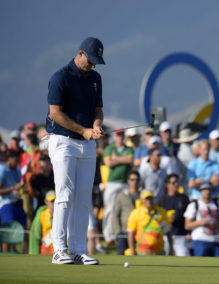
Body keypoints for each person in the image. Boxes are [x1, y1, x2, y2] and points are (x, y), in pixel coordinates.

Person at [46, 37, 105, 265]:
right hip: (63, 141)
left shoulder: (95, 79)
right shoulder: (61, 77)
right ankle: (59, 249)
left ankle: (78, 249)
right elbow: (55, 113)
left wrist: (97, 126)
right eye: (91, 60)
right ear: (80, 53)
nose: (93, 65)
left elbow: (98, 110)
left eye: (96, 62)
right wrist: (83, 130)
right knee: (65, 194)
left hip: (86, 143)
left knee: (82, 197)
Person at [103, 129, 133, 245]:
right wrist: (122, 160)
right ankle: (108, 235)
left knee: (125, 209)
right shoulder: (110, 148)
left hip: (125, 183)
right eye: (118, 135)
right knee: (109, 209)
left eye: (121, 135)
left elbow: (129, 160)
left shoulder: (129, 148)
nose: (120, 137)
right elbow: (108, 163)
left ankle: (123, 234)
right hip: (112, 183)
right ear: (115, 137)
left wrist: (116, 159)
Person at [184, 181, 219, 257]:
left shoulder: (218, 204)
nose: (207, 192)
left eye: (209, 189)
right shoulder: (194, 205)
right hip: (200, 240)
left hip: (216, 240)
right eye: (205, 189)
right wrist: (200, 222)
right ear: (200, 191)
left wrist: (216, 225)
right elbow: (187, 225)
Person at [126, 189, 172, 255]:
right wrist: (132, 251)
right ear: (142, 200)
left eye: (150, 198)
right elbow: (131, 233)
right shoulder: (136, 213)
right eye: (146, 198)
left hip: (159, 251)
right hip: (141, 252)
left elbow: (167, 231)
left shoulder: (161, 212)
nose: (149, 200)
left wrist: (171, 248)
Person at [0, 150, 27, 252]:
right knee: (7, 233)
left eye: (18, 161)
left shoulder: (17, 170)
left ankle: (24, 257)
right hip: (7, 205)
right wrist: (13, 189)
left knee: (23, 231)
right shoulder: (3, 171)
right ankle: (6, 256)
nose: (17, 163)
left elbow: (17, 186)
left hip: (18, 203)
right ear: (9, 159)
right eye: (15, 161)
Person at [159, 174, 190, 256]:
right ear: (167, 185)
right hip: (166, 236)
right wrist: (167, 220)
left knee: (183, 258)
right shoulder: (162, 200)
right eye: (173, 182)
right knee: (165, 259)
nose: (176, 184)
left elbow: (189, 217)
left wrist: (189, 232)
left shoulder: (184, 198)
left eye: (177, 182)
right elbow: (158, 218)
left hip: (180, 235)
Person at [112, 171, 141, 255]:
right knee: (120, 257)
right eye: (132, 179)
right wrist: (117, 232)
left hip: (139, 233)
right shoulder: (121, 196)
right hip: (124, 233)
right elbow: (115, 215)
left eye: (137, 180)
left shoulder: (143, 197)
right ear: (128, 181)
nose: (135, 182)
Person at [29, 190, 56, 255]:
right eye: (52, 201)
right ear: (46, 202)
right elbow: (35, 236)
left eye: (56, 200)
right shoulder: (41, 215)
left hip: (62, 253)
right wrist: (34, 254)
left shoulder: (65, 215)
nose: (55, 203)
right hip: (45, 254)